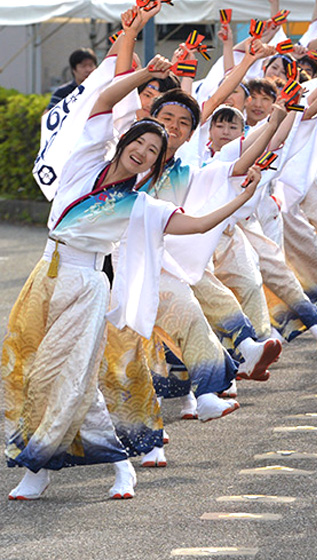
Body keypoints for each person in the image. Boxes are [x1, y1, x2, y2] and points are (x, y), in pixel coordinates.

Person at [5, 54, 266, 501]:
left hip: (86, 286)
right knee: (28, 372)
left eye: (152, 153)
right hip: (43, 280)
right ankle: (103, 463)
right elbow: (104, 99)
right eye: (139, 143)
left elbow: (198, 224)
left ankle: (47, 467)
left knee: (64, 376)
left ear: (155, 163)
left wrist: (243, 197)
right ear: (125, 139)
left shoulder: (140, 204)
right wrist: (148, 73)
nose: (142, 154)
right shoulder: (86, 161)